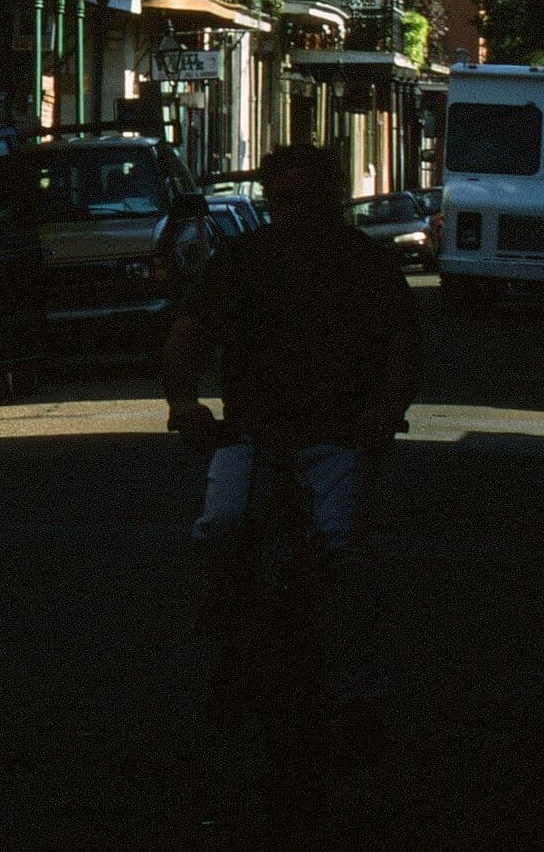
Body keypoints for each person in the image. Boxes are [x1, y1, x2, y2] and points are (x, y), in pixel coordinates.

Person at [163, 141, 420, 725]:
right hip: (249, 437)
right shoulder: (239, 262)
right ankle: (222, 642)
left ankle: (359, 675)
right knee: (220, 525)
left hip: (337, 439)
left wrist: (384, 410)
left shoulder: (367, 265)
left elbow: (403, 347)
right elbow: (187, 338)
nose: (297, 211)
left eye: (310, 199)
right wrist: (186, 407)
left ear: (333, 200)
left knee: (340, 543)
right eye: (284, 199)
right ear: (270, 201)